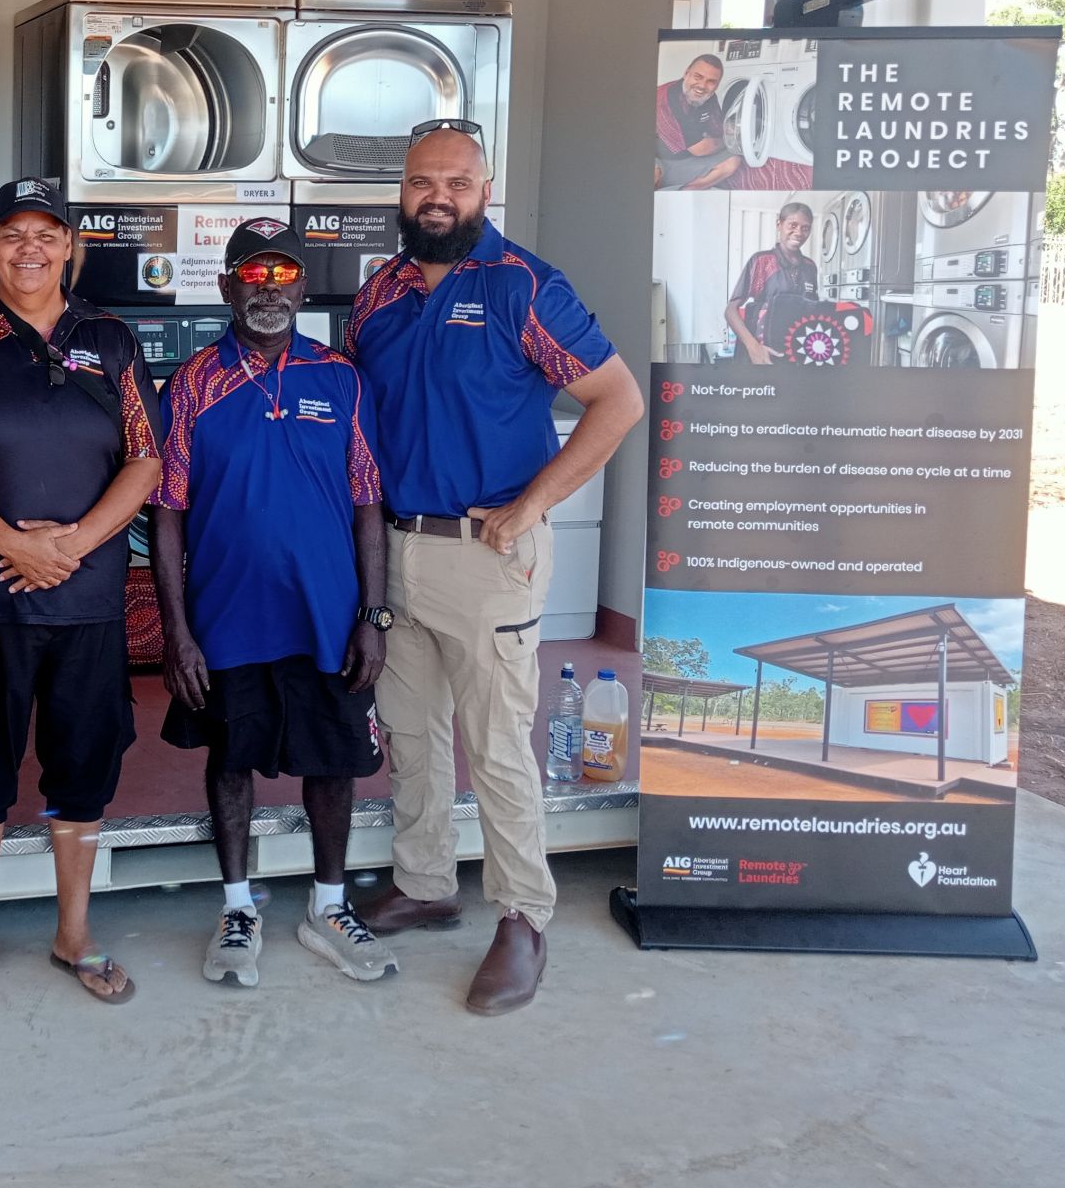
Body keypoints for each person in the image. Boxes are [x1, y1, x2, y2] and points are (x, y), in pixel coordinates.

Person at [346, 120, 642, 1015]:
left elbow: (615, 399)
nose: (438, 196)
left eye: (458, 182)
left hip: (488, 553)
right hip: (396, 549)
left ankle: (522, 916)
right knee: (410, 729)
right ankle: (427, 880)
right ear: (401, 191)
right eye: (421, 181)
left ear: (485, 190)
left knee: (499, 741)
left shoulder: (526, 289)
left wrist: (533, 503)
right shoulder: (380, 296)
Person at [0, 178, 162, 1014]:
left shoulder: (113, 338)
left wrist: (76, 545)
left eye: (46, 234)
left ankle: (73, 930)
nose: (29, 249)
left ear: (70, 246)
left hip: (87, 604)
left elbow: (147, 459)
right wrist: (16, 544)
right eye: (12, 233)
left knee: (83, 766)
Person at [150, 218, 397, 988]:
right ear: (226, 286)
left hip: (328, 620)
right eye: (252, 276)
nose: (269, 289)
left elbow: (368, 505)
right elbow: (166, 513)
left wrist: (372, 615)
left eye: (282, 274)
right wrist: (178, 633)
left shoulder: (340, 377)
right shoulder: (190, 384)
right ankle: (237, 907)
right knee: (231, 761)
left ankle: (328, 904)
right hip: (226, 621)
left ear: (302, 285)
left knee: (334, 760)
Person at [725, 200, 820, 364]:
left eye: (805, 228)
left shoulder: (810, 266)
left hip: (798, 354)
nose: (799, 232)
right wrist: (753, 348)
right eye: (792, 225)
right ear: (779, 224)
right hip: (764, 353)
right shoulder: (762, 261)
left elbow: (813, 310)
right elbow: (730, 311)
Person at [654, 53, 740, 190]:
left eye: (711, 81)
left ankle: (686, 192)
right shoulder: (664, 99)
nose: (702, 86)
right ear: (686, 73)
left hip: (683, 162)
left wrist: (728, 133)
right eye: (698, 77)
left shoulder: (709, 98)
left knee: (732, 162)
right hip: (657, 159)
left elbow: (718, 130)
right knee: (654, 173)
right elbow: (700, 149)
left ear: (717, 85)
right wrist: (730, 140)